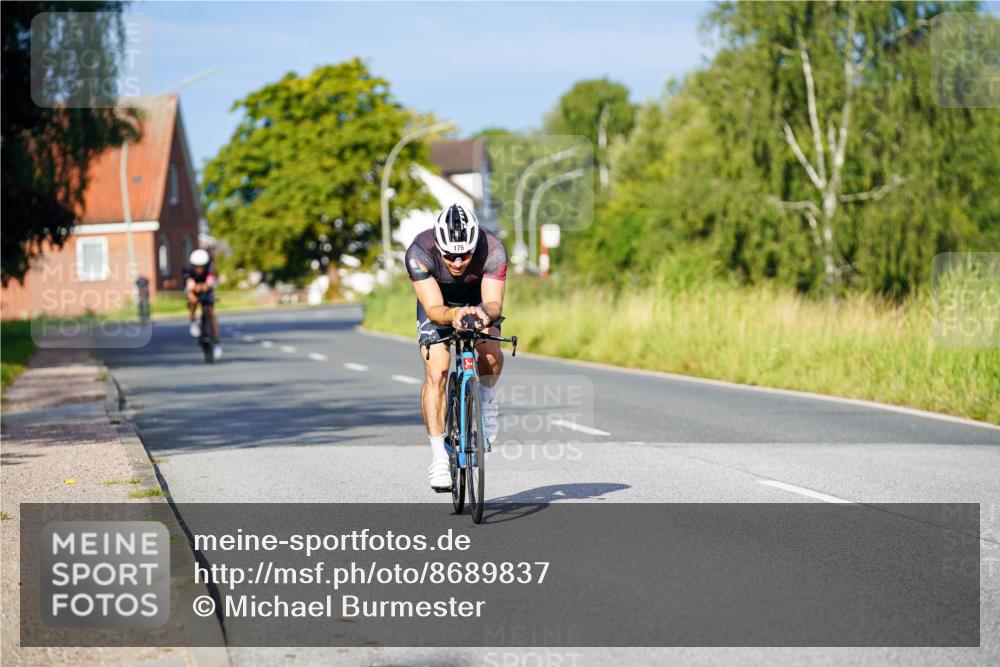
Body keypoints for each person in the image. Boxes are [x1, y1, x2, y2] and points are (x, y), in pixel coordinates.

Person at [405, 204, 508, 492]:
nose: (459, 262)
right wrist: (454, 315)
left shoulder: (494, 250)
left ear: (476, 246)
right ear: (438, 246)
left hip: (479, 301)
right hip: (439, 305)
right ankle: (439, 457)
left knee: (489, 351)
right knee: (436, 370)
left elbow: (494, 303)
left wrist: (484, 315)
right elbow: (435, 309)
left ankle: (486, 399)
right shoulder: (419, 253)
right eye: (450, 255)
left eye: (465, 255)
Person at [184, 249, 222, 360]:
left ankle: (216, 342)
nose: (199, 269)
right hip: (193, 287)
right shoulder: (188, 268)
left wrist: (205, 287)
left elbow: (210, 282)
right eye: (197, 266)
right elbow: (190, 284)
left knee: (211, 313)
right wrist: (195, 289)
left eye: (202, 266)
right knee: (193, 300)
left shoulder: (210, 267)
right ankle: (193, 320)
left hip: (206, 287)